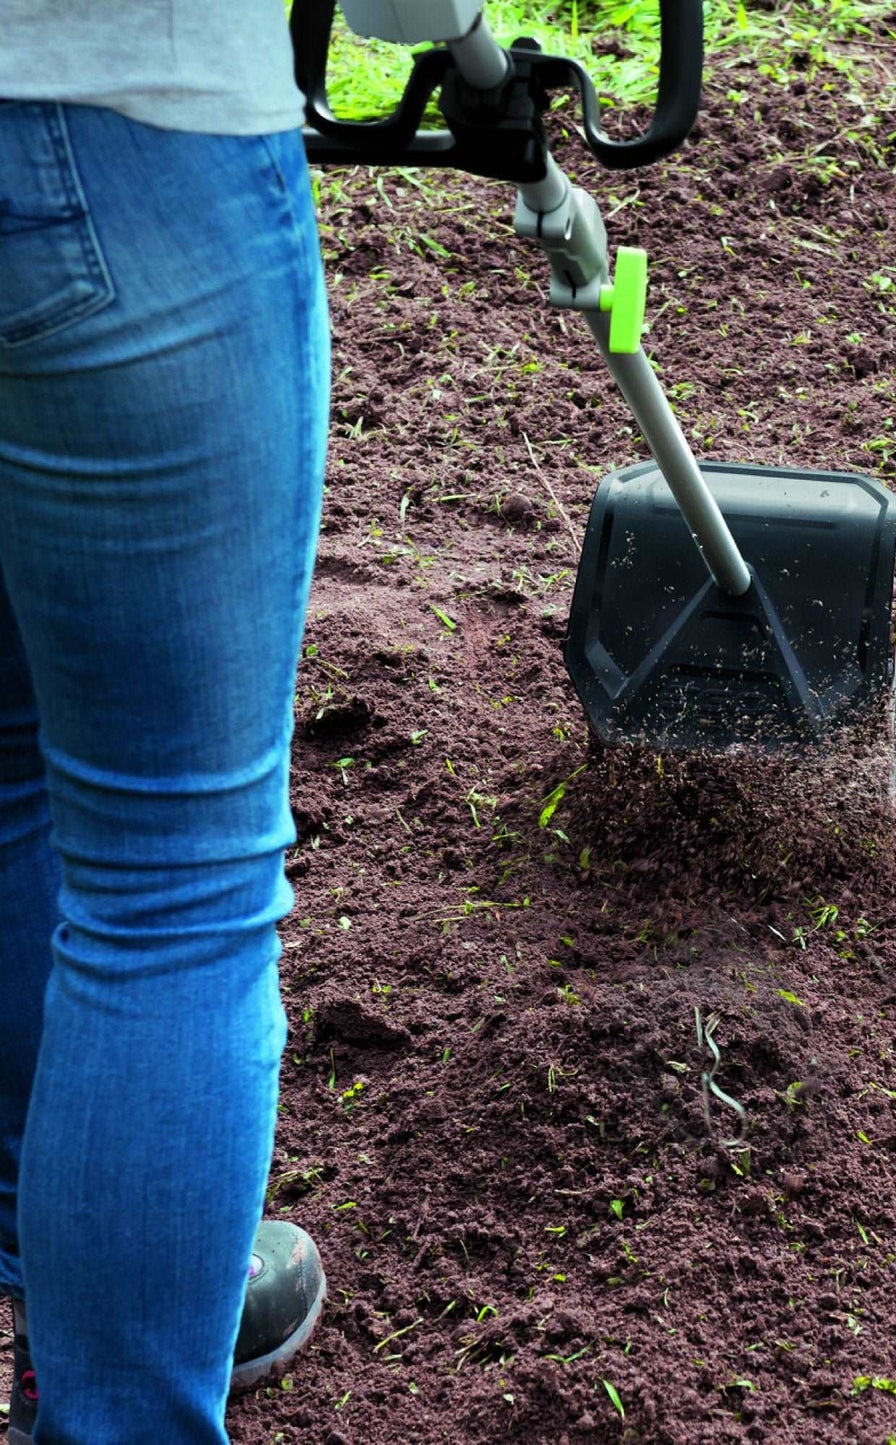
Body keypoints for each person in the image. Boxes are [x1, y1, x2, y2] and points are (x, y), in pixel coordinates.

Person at [0, 3, 330, 1439]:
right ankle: (114, 1380)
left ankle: (66, 1260)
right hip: (113, 117)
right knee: (174, 877)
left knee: (8, 771)